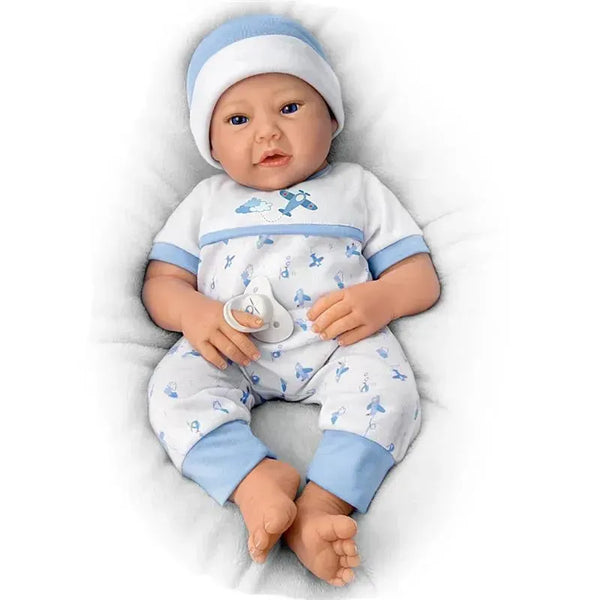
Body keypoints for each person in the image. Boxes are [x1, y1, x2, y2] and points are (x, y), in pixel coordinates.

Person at [142, 13, 440, 587]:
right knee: (173, 391)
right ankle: (255, 482)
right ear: (210, 143)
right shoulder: (206, 200)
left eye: (290, 107)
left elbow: (419, 276)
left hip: (337, 345)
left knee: (389, 391)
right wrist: (193, 312)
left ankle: (323, 505)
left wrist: (381, 299)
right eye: (238, 119)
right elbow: (161, 283)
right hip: (233, 347)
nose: (268, 133)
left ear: (332, 117)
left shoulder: (356, 187)